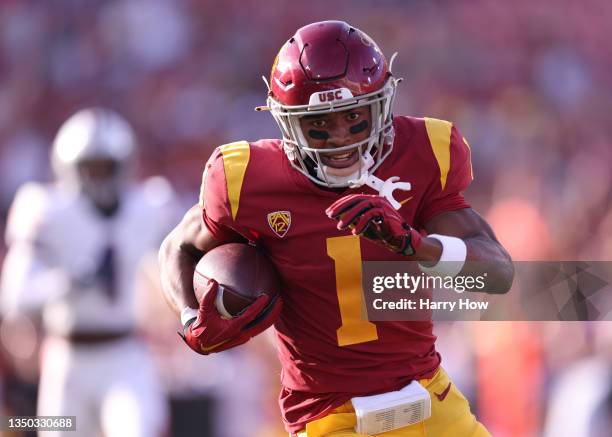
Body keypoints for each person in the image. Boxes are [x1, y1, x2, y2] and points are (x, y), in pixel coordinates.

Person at [159, 20, 514, 437]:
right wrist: (189, 317)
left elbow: (498, 273)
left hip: (429, 399)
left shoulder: (423, 152)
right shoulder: (246, 181)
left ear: (381, 107)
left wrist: (417, 246)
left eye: (354, 119)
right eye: (319, 125)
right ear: (287, 122)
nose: (340, 138)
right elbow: (177, 249)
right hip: (330, 418)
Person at [1, 108, 172, 437]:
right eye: (90, 168)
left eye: (106, 167)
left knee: (136, 430)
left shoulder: (149, 205)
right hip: (66, 359)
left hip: (126, 353)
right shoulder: (45, 209)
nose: (99, 177)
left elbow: (182, 259)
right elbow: (14, 296)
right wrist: (67, 285)